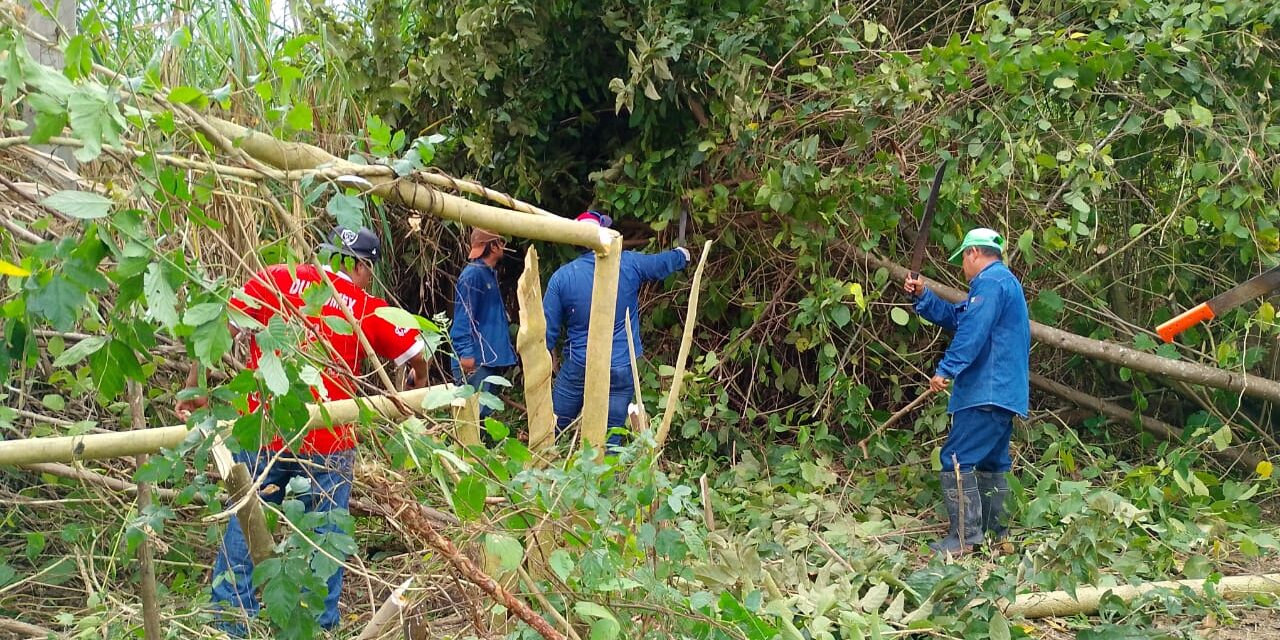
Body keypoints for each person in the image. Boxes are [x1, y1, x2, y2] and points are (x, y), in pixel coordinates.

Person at [176, 226, 430, 633]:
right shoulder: (362, 306)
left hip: (265, 427)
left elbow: (217, 327)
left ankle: (230, 619)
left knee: (247, 520)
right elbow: (416, 352)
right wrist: (418, 386)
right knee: (325, 536)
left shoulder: (276, 279)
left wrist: (197, 389)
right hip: (329, 440)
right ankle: (319, 624)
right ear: (362, 267)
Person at [903, 227, 1029, 555]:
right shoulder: (1003, 284)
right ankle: (996, 535)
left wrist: (947, 368)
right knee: (994, 462)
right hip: (1004, 393)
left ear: (974, 253)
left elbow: (971, 330)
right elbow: (959, 316)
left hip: (985, 390)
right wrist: (923, 295)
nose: (963, 266)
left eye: (964, 259)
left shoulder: (990, 283)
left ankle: (964, 538)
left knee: (956, 458)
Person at [543, 210, 689, 447]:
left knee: (554, 427)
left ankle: (544, 467)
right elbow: (660, 264)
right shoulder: (628, 262)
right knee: (611, 436)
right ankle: (607, 476)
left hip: (580, 364)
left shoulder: (563, 277)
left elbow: (546, 333)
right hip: (620, 364)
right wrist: (681, 255)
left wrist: (541, 363)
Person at [449, 227, 517, 419]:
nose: (503, 246)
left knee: (483, 415)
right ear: (492, 247)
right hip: (477, 361)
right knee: (473, 417)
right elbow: (464, 317)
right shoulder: (472, 275)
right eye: (500, 242)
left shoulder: (487, 274)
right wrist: (466, 352)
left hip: (487, 360)